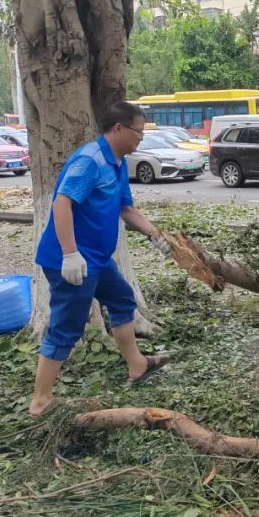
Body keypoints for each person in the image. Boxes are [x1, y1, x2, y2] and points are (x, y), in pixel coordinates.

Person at [30, 102, 172, 416]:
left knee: (122, 299)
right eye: (138, 132)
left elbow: (126, 209)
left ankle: (137, 365)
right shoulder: (89, 161)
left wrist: (155, 235)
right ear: (118, 128)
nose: (141, 139)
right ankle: (41, 400)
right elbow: (62, 204)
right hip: (71, 260)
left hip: (98, 259)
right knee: (66, 327)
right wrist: (70, 253)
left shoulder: (118, 163)